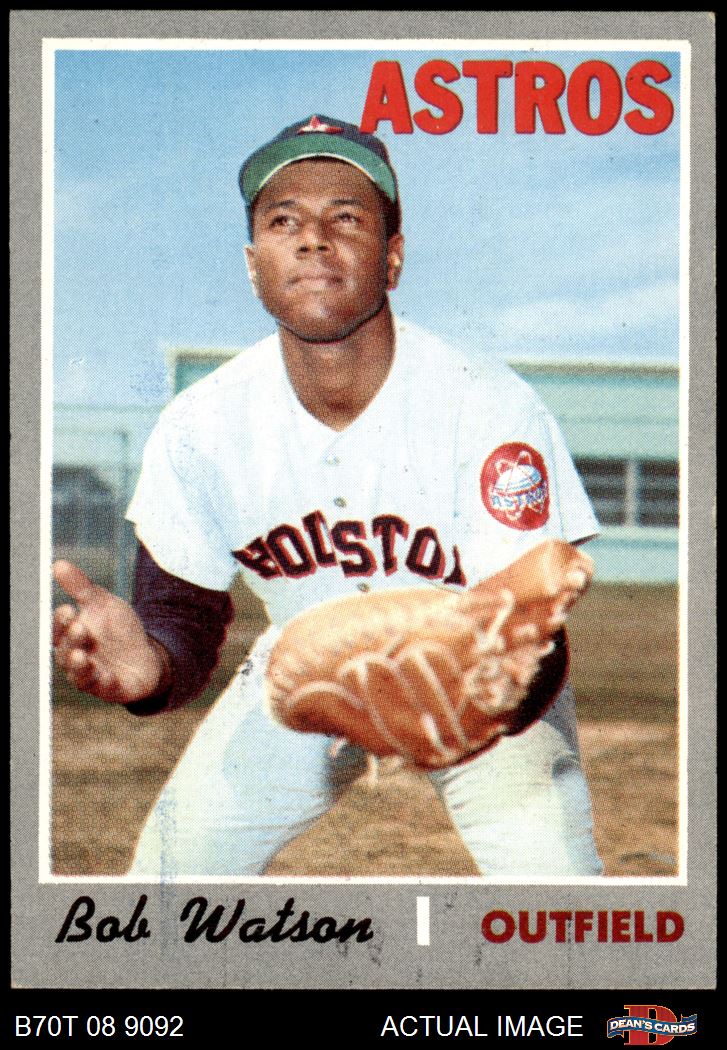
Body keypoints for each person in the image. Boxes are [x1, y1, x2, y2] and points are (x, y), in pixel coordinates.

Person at [53, 115, 603, 877]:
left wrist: (476, 697)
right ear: (253, 265)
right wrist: (151, 666)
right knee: (165, 881)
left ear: (393, 257)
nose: (312, 239)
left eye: (345, 218)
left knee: (559, 897)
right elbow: (182, 613)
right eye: (283, 222)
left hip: (469, 670)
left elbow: (531, 624)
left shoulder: (485, 404)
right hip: (298, 664)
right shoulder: (200, 424)